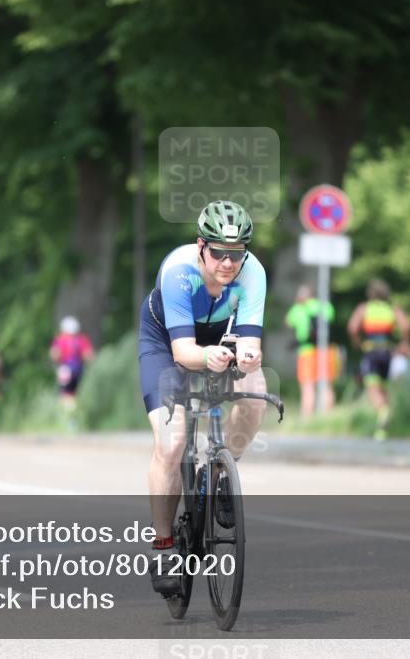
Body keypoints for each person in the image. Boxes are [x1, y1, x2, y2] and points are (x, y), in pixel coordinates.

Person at [139, 200, 266, 595]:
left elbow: (249, 342)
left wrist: (248, 357)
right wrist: (208, 358)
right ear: (201, 247)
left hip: (216, 337)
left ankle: (223, 476)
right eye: (219, 253)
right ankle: (163, 546)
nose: (228, 263)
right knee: (172, 442)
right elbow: (183, 354)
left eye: (237, 255)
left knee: (256, 394)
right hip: (167, 342)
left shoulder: (254, 273)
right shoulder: (179, 273)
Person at [346, 279, 410, 441]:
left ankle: (383, 413)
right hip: (388, 353)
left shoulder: (364, 309)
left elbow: (352, 327)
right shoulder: (392, 309)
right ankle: (383, 428)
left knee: (373, 388)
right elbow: (406, 327)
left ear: (370, 294)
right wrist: (404, 343)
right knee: (383, 388)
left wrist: (357, 342)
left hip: (371, 353)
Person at [285, 285, 340, 418]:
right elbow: (331, 319)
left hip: (306, 351)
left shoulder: (297, 309)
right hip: (326, 350)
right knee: (326, 384)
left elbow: (288, 323)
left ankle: (307, 419)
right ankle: (329, 418)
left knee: (307, 387)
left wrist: (297, 304)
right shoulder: (325, 306)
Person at [49, 317, 95, 412]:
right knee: (75, 393)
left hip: (65, 369)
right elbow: (89, 356)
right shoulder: (82, 339)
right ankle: (75, 413)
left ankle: (70, 415)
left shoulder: (60, 339)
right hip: (79, 369)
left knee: (65, 394)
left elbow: (54, 354)